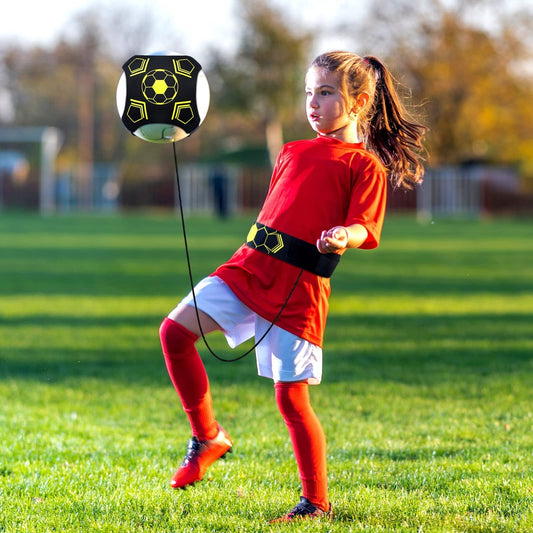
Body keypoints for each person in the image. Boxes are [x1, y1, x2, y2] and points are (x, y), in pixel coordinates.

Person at [159, 51, 426, 522]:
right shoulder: (292, 150)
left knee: (290, 397)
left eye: (325, 93)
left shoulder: (363, 166)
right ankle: (207, 437)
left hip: (299, 286)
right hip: (247, 266)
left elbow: (366, 227)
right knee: (174, 332)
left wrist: (344, 235)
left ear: (360, 102)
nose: (313, 102)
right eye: (309, 93)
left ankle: (315, 503)